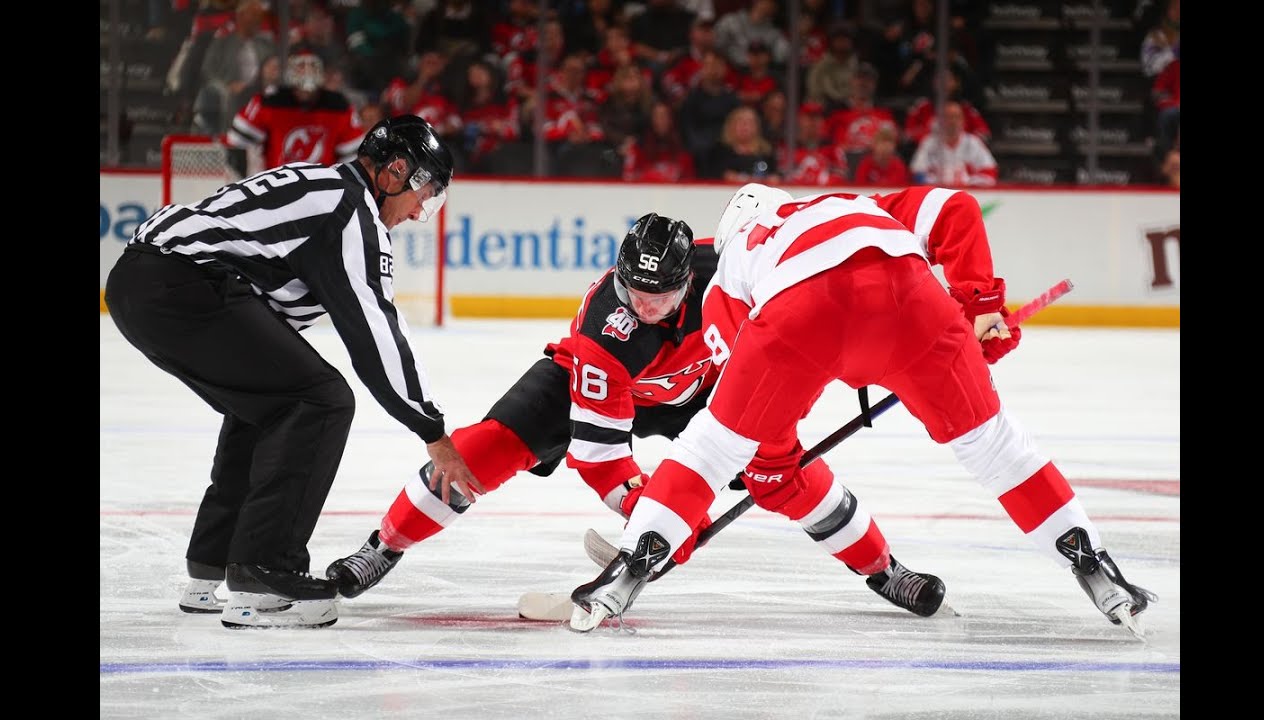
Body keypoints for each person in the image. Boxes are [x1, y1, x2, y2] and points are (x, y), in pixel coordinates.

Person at [569, 183, 1158, 637]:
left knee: (712, 445)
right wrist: (979, 303)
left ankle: (630, 568)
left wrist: (774, 468)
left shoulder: (726, 272)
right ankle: (1095, 566)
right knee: (997, 446)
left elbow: (752, 403)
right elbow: (955, 208)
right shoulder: (851, 202)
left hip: (803, 310)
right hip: (912, 297)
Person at [325, 213, 949, 619]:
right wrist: (654, 520)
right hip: (587, 390)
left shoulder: (734, 268)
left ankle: (884, 569)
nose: (646, 306)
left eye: (663, 295)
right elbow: (599, 457)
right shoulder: (608, 333)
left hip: (704, 392)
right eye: (634, 292)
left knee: (784, 470)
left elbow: (830, 280)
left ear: (690, 280)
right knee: (479, 451)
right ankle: (383, 546)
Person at [103, 115, 480, 630]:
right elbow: (376, 335)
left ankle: (210, 567)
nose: (420, 213)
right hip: (184, 285)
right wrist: (431, 430)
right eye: (426, 194)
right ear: (395, 172)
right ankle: (264, 573)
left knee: (267, 404)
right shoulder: (351, 214)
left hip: (140, 281)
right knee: (322, 401)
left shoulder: (320, 185)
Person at [224, 50, 366, 178]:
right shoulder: (270, 102)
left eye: (311, 89)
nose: (305, 94)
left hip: (322, 190)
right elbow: (237, 143)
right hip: (276, 188)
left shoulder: (339, 107)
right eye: (300, 88)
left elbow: (353, 158)